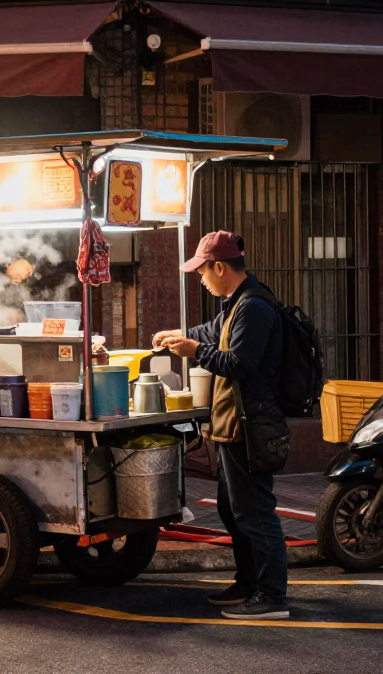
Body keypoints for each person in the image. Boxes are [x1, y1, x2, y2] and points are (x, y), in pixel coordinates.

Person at [153, 230, 290, 621]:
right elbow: (212, 334)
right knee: (234, 509)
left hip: (253, 424)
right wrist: (180, 337)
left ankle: (271, 596)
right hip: (234, 422)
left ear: (219, 267)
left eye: (202, 271)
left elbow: (240, 365)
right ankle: (248, 582)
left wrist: (194, 351)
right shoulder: (236, 304)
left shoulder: (255, 308)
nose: (200, 278)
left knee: (255, 510)